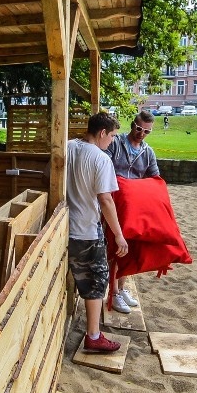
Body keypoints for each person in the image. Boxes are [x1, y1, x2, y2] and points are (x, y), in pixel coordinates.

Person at [67, 112, 129, 352]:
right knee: (96, 281)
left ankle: (93, 332)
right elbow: (105, 199)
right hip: (86, 230)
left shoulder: (68, 146)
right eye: (112, 136)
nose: (112, 141)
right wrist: (118, 234)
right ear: (102, 132)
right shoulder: (101, 159)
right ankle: (93, 335)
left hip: (66, 225)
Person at [105, 110, 160, 314]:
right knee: (115, 248)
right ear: (132, 125)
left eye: (147, 131)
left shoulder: (148, 152)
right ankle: (113, 292)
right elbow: (104, 167)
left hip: (134, 207)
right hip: (113, 204)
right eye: (138, 128)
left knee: (130, 247)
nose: (141, 133)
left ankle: (121, 287)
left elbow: (155, 179)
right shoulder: (115, 143)